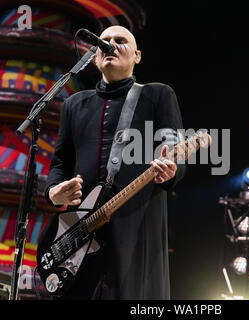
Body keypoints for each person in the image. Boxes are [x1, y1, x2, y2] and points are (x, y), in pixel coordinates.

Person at [43, 25, 186, 299]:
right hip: (79, 233)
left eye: (120, 41)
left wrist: (171, 169)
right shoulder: (74, 105)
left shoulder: (157, 94)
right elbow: (60, 162)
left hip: (135, 228)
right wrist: (53, 191)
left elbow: (175, 148)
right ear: (95, 57)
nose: (111, 44)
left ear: (137, 56)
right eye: (105, 41)